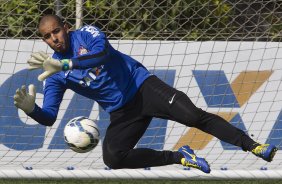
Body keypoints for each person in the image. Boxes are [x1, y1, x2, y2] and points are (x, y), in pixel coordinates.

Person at [13, 14, 277, 173]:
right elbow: (49, 118)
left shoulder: (87, 34)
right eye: (47, 37)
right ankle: (180, 156)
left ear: (66, 27)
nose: (54, 39)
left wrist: (67, 63)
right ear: (44, 40)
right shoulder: (54, 73)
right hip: (123, 112)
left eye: (56, 31)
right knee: (113, 158)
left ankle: (254, 146)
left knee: (193, 115)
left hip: (143, 87)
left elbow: (102, 55)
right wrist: (31, 109)